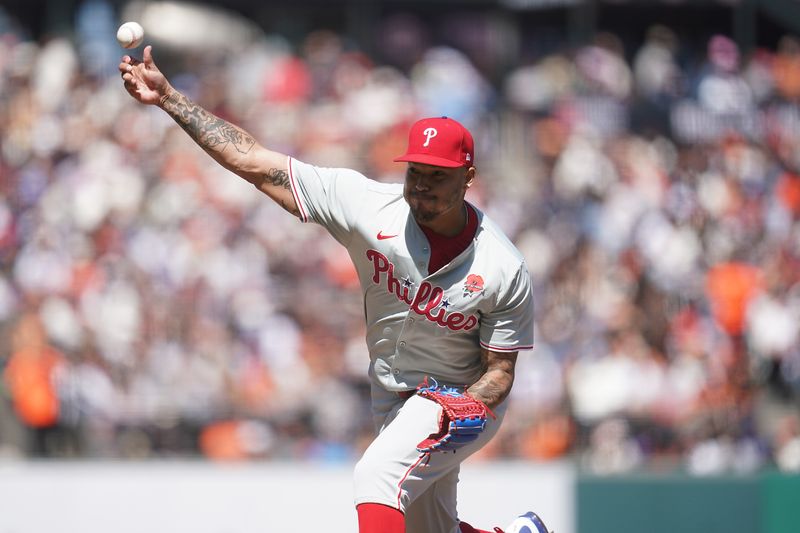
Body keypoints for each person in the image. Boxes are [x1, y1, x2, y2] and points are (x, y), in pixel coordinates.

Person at [119, 45, 550, 533]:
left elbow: (502, 371)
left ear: (467, 178)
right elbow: (257, 163)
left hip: (460, 399)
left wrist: (469, 404)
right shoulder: (367, 206)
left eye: (438, 176)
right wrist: (170, 97)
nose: (422, 187)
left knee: (376, 477)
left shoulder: (502, 266)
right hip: (391, 394)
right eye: (415, 172)